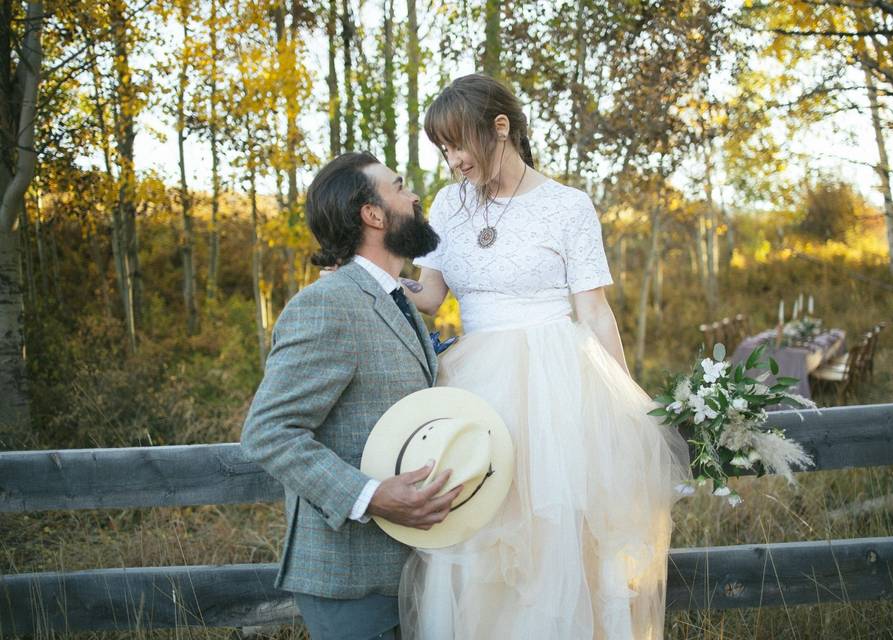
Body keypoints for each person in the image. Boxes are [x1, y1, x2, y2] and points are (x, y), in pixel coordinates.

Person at [398, 74, 692, 639]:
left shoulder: (567, 206)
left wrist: (625, 402)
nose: (453, 159)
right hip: (478, 386)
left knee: (559, 528)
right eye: (443, 148)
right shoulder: (446, 205)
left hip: (559, 386)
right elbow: (431, 296)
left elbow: (595, 313)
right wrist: (374, 280)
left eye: (458, 143)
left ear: (500, 128)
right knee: (482, 527)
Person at [241, 151, 464, 640]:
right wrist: (372, 496)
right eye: (399, 186)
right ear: (373, 214)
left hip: (403, 570)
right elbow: (268, 433)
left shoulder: (393, 297)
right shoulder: (327, 304)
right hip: (349, 580)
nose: (414, 195)